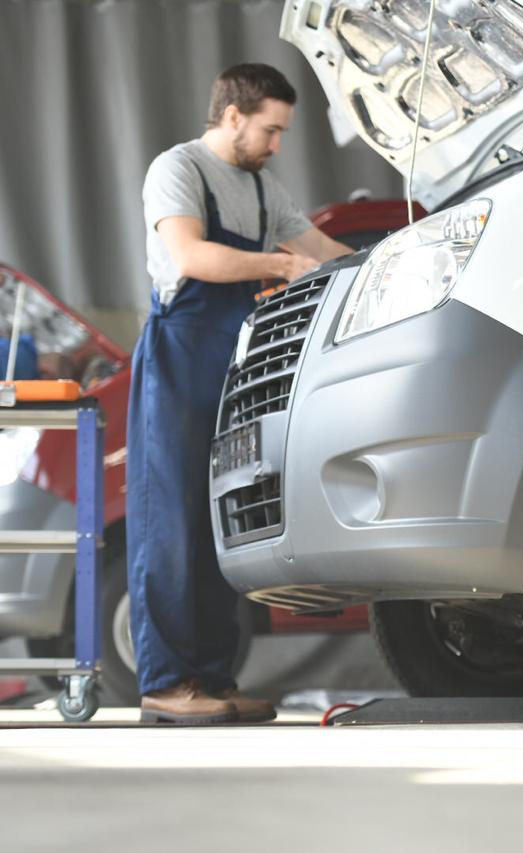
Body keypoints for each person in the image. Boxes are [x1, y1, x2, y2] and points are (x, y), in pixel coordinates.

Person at [128, 63, 352, 724]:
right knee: (169, 523)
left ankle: (213, 680)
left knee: (221, 518)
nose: (278, 143)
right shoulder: (178, 169)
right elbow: (193, 257)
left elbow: (318, 245)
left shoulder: (261, 188)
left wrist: (389, 256)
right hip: (179, 356)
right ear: (233, 116)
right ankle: (166, 683)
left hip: (233, 364)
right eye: (271, 129)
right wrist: (281, 264)